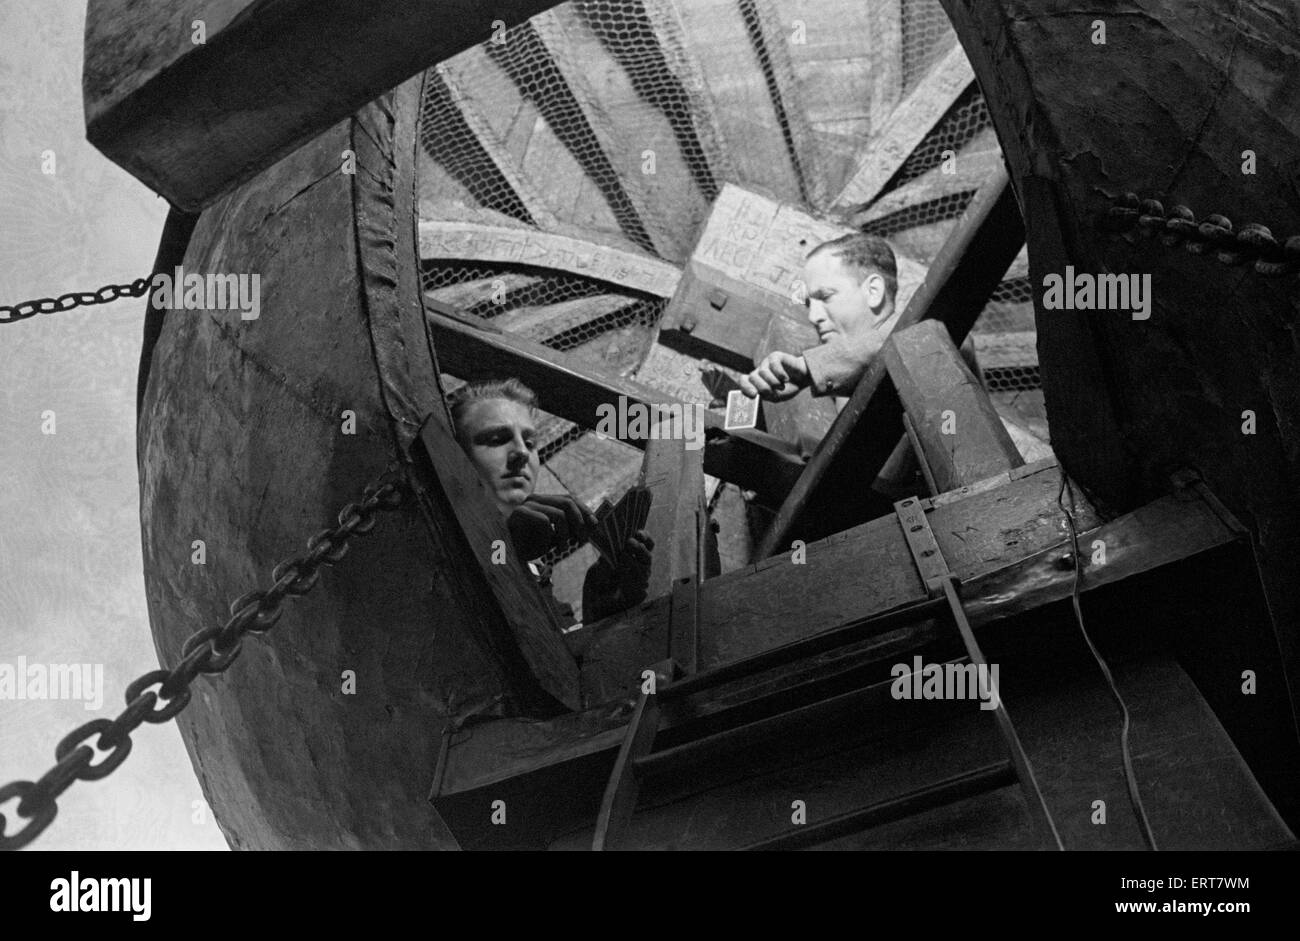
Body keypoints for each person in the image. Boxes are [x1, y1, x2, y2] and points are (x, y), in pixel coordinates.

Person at [446, 378, 654, 625]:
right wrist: (507, 551)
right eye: (495, 439)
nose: (522, 452)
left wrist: (597, 619)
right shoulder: (436, 539)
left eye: (530, 443)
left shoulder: (537, 570)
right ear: (454, 453)